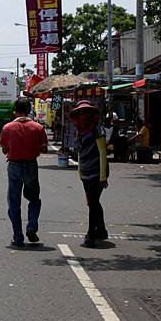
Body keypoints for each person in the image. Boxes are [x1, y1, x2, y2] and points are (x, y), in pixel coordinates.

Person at [0, 97, 48, 248]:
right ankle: (31, 226)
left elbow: (4, 149)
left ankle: (18, 236)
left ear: (15, 112)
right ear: (29, 111)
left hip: (14, 165)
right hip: (31, 165)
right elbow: (44, 148)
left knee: (14, 203)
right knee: (34, 199)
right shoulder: (38, 128)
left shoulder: (7, 128)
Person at [69, 100, 109, 248]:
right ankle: (102, 229)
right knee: (92, 202)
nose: (83, 116)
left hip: (97, 172)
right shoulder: (79, 130)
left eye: (86, 113)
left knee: (92, 202)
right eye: (80, 113)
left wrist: (103, 176)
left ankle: (91, 234)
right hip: (85, 171)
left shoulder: (97, 130)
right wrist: (79, 171)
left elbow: (103, 153)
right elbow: (80, 152)